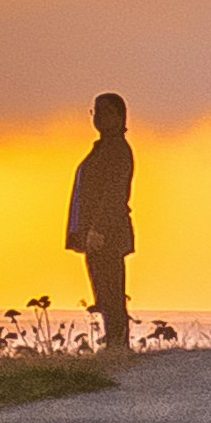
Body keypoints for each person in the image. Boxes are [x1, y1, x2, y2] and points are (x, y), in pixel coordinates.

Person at [69, 91, 137, 364]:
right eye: (95, 111)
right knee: (104, 287)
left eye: (106, 112)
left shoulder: (118, 149)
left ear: (120, 117)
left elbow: (114, 193)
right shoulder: (104, 147)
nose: (99, 117)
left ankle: (118, 343)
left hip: (107, 231)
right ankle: (114, 341)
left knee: (111, 287)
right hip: (95, 232)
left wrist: (98, 229)